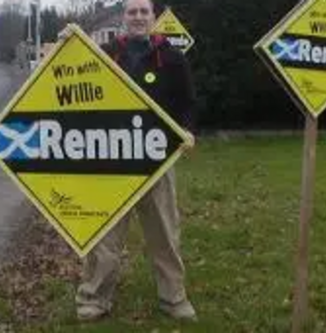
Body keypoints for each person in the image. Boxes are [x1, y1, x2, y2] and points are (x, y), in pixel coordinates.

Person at [74, 0, 197, 322]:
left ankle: (174, 298)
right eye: (132, 12)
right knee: (105, 236)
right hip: (112, 160)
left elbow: (188, 104)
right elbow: (70, 72)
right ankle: (94, 298)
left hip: (157, 160)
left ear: (154, 18)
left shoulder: (172, 57)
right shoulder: (104, 53)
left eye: (144, 12)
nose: (139, 17)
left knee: (165, 234)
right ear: (124, 17)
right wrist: (64, 44)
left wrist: (187, 130)